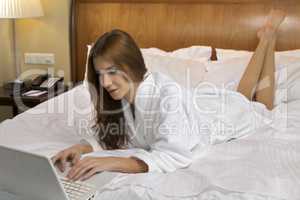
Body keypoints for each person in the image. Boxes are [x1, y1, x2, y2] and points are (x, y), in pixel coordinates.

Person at [52, 9, 286, 182]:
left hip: (216, 118)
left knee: (258, 106)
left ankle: (268, 39)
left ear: (132, 65)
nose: (104, 82)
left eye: (112, 72)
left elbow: (173, 155)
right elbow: (110, 137)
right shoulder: (118, 98)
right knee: (237, 96)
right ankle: (266, 40)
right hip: (199, 102)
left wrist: (111, 162)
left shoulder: (166, 95)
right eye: (100, 74)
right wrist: (81, 148)